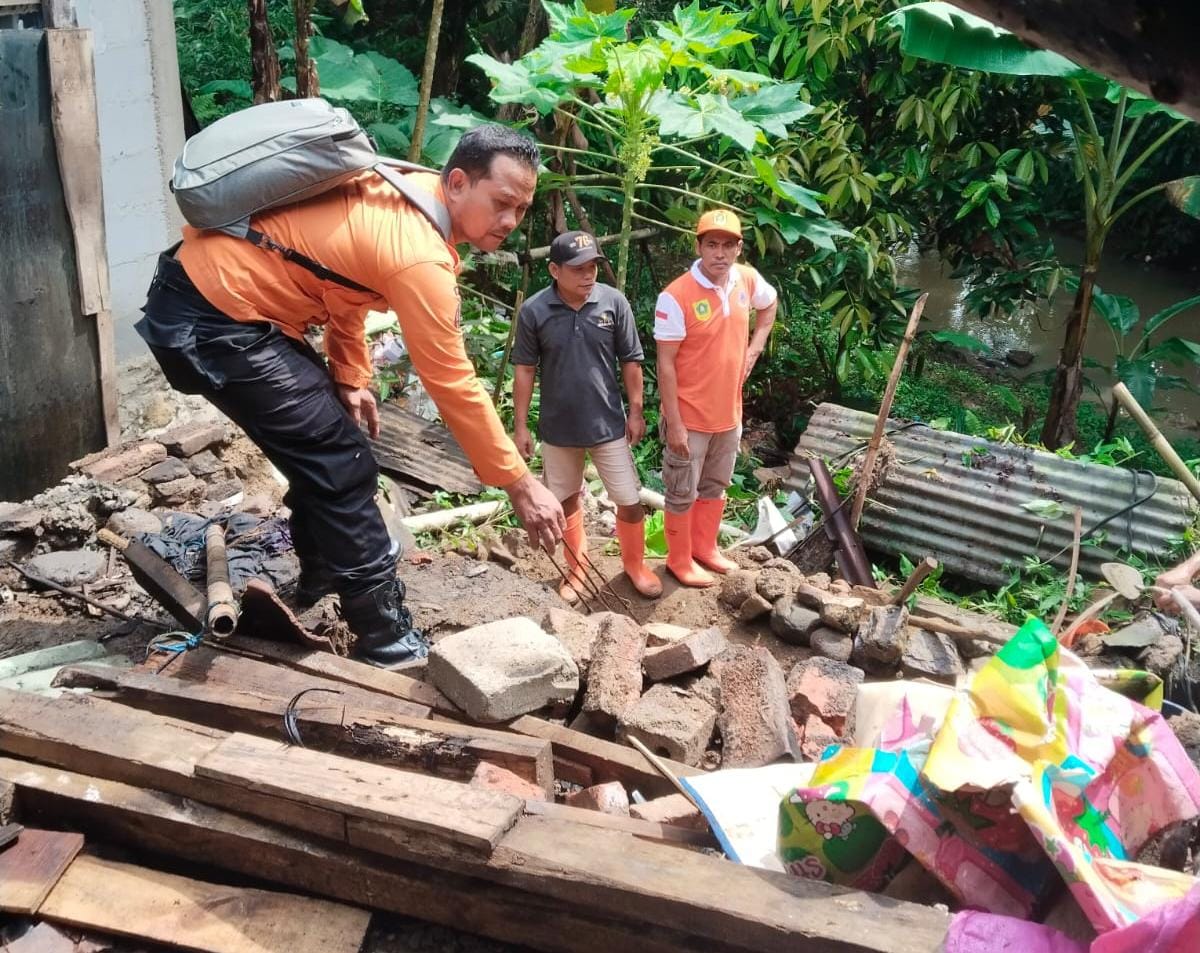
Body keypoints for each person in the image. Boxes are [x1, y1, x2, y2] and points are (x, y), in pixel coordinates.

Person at [135, 125, 565, 666]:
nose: (510, 221)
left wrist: (350, 376)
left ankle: (322, 578)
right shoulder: (419, 253)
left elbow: (344, 280)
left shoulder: (407, 190)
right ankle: (385, 637)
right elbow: (451, 382)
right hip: (217, 316)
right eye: (501, 203)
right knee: (340, 460)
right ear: (458, 182)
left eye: (521, 209)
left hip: (223, 298)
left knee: (327, 446)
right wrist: (520, 484)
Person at [511, 231, 662, 601]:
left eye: (593, 266)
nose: (588, 274)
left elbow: (631, 361)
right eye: (578, 268)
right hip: (558, 428)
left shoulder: (613, 303)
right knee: (565, 500)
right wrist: (520, 426)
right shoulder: (534, 310)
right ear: (555, 270)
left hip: (607, 424)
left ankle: (635, 566)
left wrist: (636, 412)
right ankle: (577, 569)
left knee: (628, 500)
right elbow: (525, 370)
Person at [653, 209, 778, 587]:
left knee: (715, 485)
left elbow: (769, 304)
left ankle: (704, 548)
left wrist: (755, 348)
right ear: (699, 247)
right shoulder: (676, 296)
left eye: (727, 245)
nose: (719, 253)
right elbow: (665, 365)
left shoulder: (746, 279)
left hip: (728, 414)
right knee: (681, 490)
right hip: (689, 416)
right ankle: (678, 560)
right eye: (711, 244)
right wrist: (674, 423)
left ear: (739, 248)